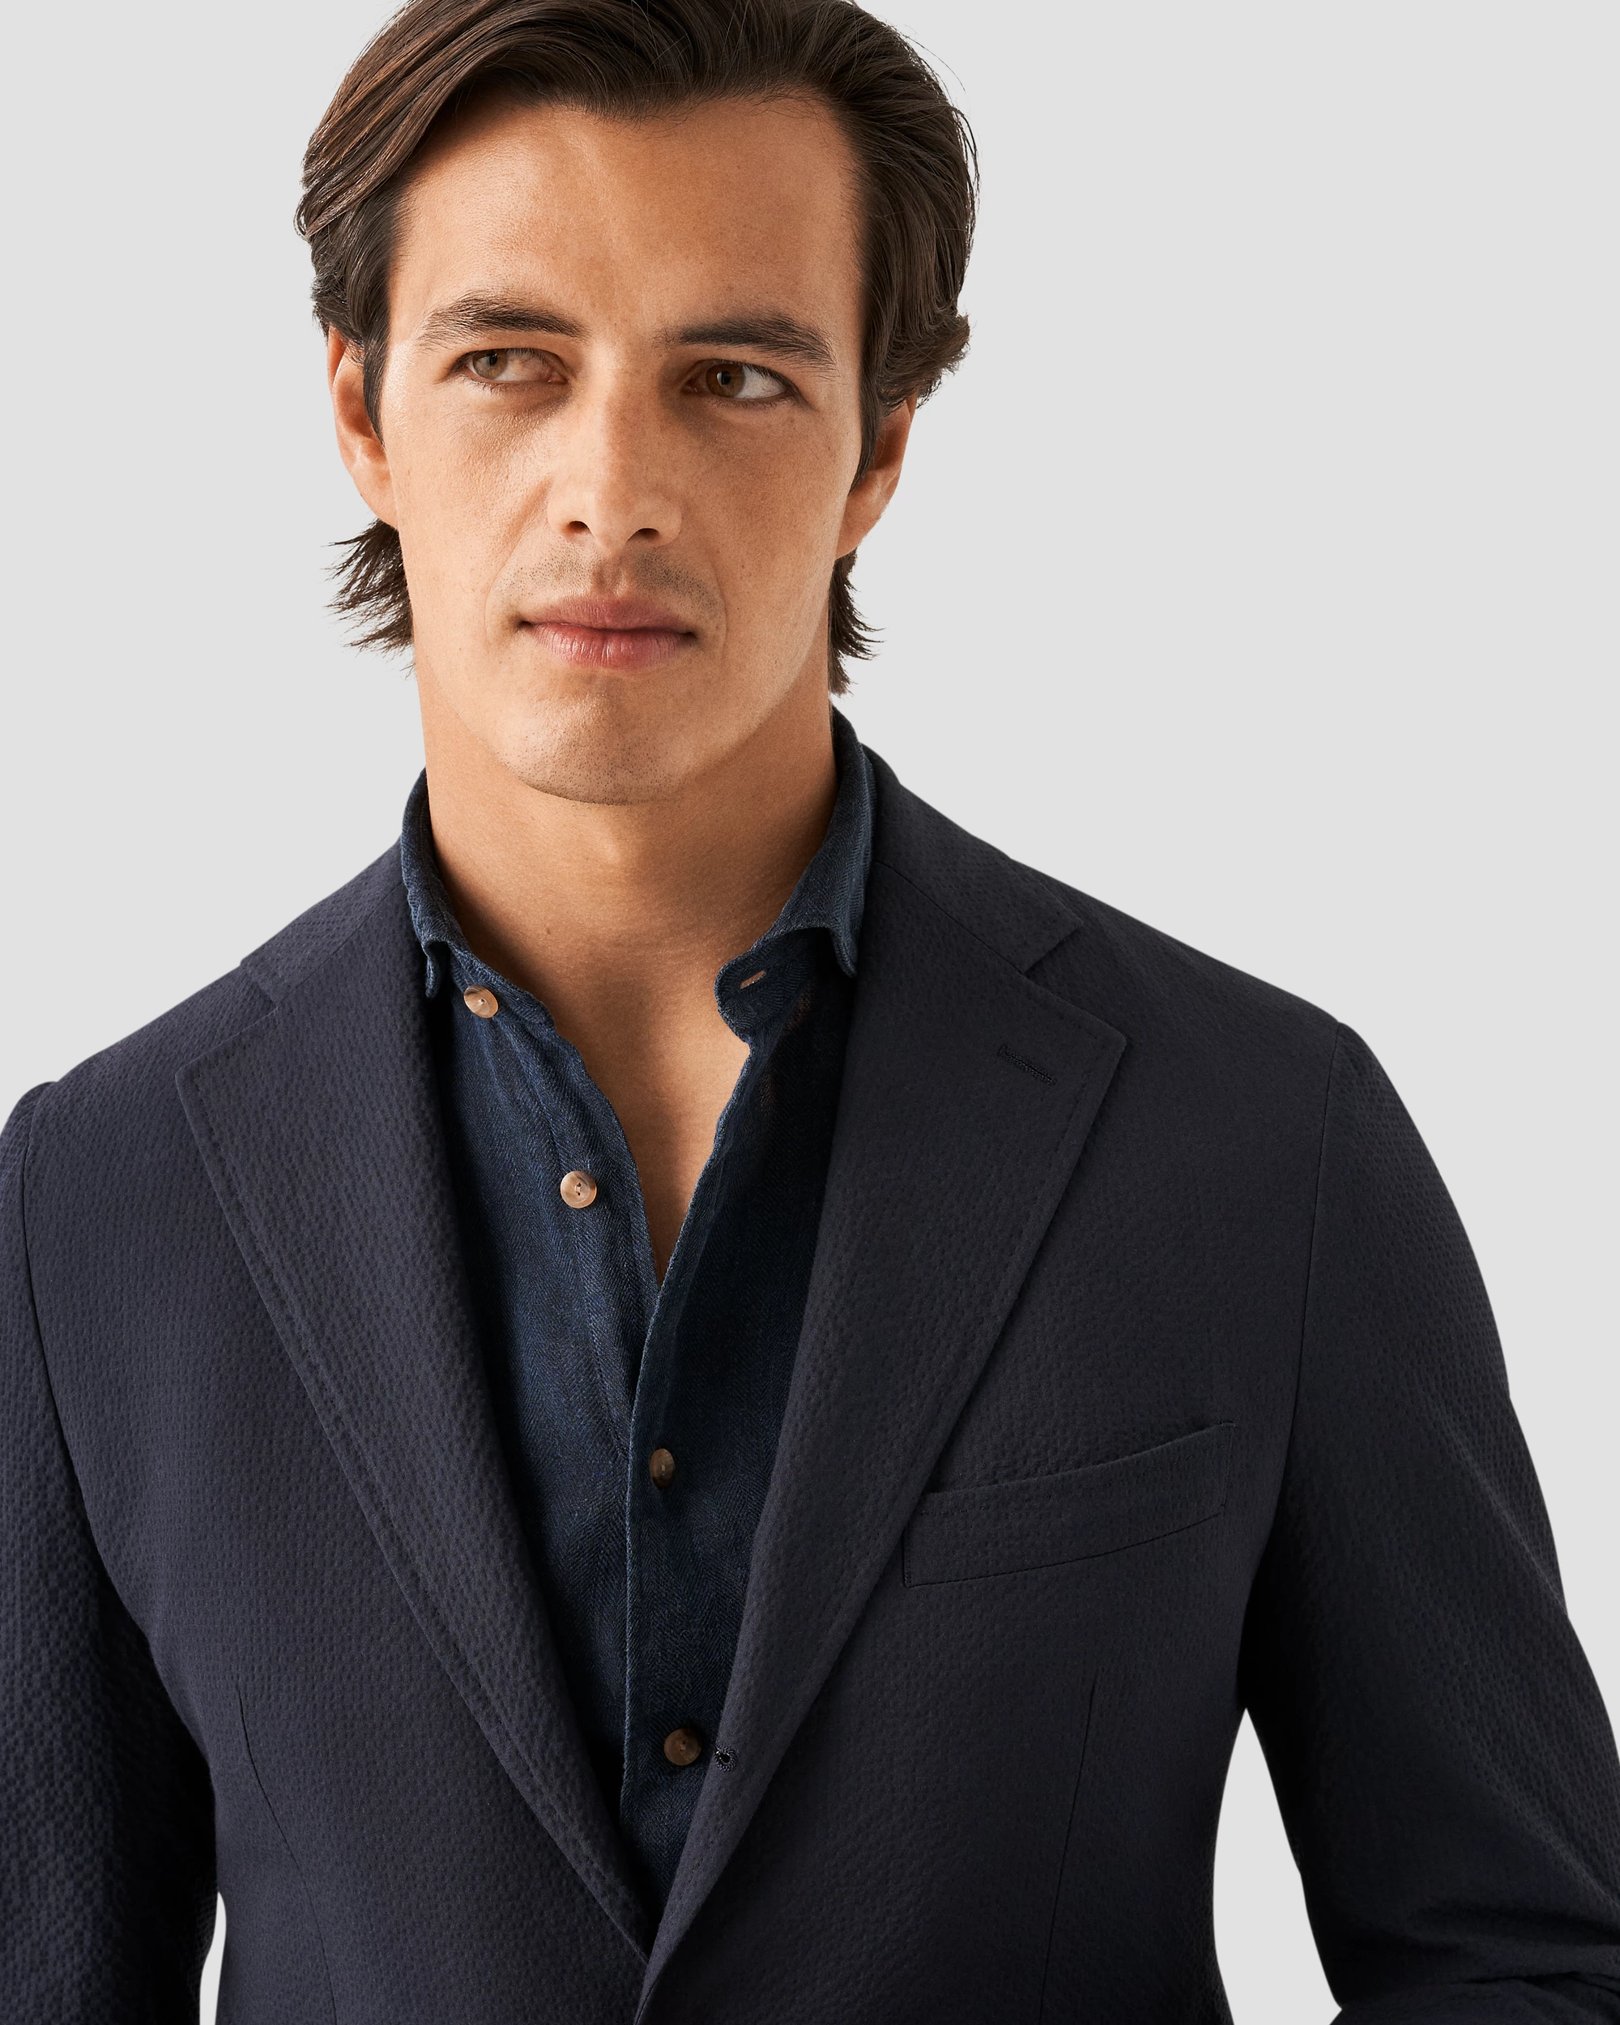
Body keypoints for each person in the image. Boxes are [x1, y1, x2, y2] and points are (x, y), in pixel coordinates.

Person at [4, 0, 1618, 2017]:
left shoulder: (1260, 1137)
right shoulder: (101, 1196)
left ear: (881, 443)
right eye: (509, 361)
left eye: (736, 377)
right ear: (361, 407)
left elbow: (1519, 1954)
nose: (612, 488)